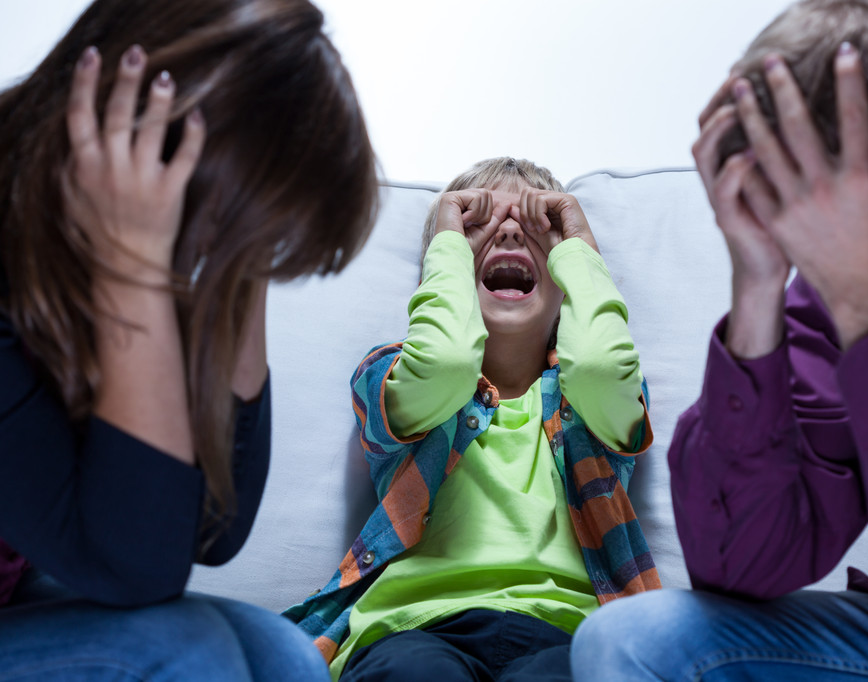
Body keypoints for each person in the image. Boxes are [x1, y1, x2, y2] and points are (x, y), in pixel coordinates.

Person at [571, 0, 868, 680]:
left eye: (850, 233)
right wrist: (758, 284)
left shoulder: (865, 279)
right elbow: (744, 566)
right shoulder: (851, 264)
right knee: (632, 641)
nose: (837, 265)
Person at [0, 0, 377, 679]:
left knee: (282, 656)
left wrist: (240, 268)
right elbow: (134, 568)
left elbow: (212, 531)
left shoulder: (84, 263)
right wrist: (131, 261)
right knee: (185, 651)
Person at [283, 157, 661, 681]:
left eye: (535, 225)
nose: (508, 229)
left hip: (572, 638)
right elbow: (446, 362)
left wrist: (578, 247)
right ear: (448, 271)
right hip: (413, 630)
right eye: (478, 225)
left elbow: (598, 365)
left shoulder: (599, 398)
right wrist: (448, 235)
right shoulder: (390, 375)